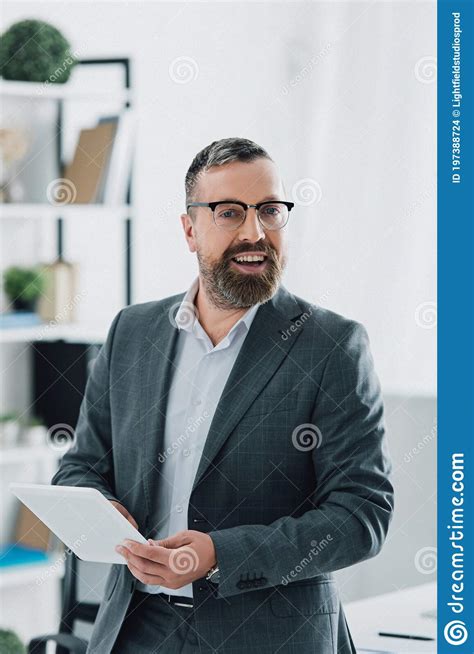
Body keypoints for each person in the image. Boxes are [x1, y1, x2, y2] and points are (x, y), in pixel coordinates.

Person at [51, 137, 394, 653]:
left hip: (271, 637)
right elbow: (80, 467)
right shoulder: (133, 332)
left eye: (271, 211)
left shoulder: (332, 346)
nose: (255, 233)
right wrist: (102, 510)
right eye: (229, 213)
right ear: (190, 230)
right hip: (137, 631)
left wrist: (221, 553)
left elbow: (361, 515)